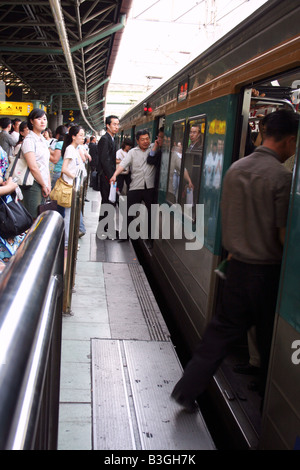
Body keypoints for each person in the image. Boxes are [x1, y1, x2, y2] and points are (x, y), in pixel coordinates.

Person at [171, 109, 299, 412]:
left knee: (219, 334)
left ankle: (186, 390)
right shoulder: (282, 178)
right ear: (290, 140)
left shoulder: (235, 169)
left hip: (237, 268)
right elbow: (282, 236)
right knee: (271, 341)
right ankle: (270, 404)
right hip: (266, 274)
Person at [110, 129, 156, 241]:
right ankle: (125, 235)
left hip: (149, 187)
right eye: (142, 139)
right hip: (136, 186)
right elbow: (123, 164)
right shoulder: (132, 152)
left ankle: (150, 238)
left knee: (151, 213)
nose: (146, 141)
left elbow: (159, 142)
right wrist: (114, 175)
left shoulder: (153, 148)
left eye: (147, 139)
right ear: (137, 141)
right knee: (129, 211)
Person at [21, 109, 51, 219]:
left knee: (40, 217)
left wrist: (47, 184)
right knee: (33, 218)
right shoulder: (29, 140)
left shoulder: (42, 140)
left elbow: (45, 165)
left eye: (44, 119)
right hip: (32, 183)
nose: (43, 121)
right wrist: (43, 184)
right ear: (31, 121)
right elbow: (33, 167)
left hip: (42, 182)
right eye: (39, 119)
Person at [60, 125, 85, 249]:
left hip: (73, 187)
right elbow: (64, 169)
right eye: (80, 135)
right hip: (70, 187)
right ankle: (67, 243)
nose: (83, 137)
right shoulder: (70, 149)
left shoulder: (75, 149)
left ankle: (69, 242)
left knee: (72, 215)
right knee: (69, 216)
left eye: (83, 135)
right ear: (73, 136)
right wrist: (74, 178)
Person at [97, 115, 119, 236]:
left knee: (108, 202)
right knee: (107, 202)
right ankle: (106, 230)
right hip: (106, 177)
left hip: (109, 176)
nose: (116, 127)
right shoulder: (105, 139)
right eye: (114, 124)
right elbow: (105, 160)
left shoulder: (111, 138)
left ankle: (104, 229)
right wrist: (111, 176)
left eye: (117, 124)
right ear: (108, 125)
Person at [49, 125, 68, 217]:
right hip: (65, 174)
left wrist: (46, 151)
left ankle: (56, 219)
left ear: (57, 134)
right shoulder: (68, 144)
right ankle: (61, 218)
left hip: (58, 173)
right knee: (62, 199)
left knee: (55, 198)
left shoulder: (60, 143)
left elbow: (55, 159)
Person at [147, 128, 164, 202]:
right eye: (158, 137)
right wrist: (155, 148)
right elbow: (150, 160)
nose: (158, 139)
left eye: (161, 137)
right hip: (157, 184)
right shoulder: (159, 151)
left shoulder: (171, 152)